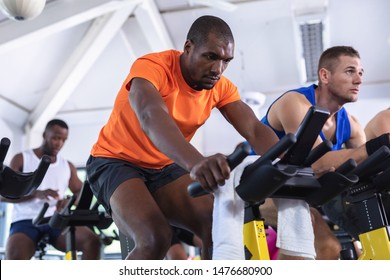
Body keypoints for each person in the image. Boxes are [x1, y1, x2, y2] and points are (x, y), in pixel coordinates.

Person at [86, 15, 279, 260]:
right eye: (210, 56)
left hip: (163, 165)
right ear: (188, 48)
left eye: (225, 61)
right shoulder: (153, 67)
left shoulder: (221, 87)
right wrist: (196, 162)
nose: (218, 69)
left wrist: (287, 164)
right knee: (155, 237)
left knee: (218, 227)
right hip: (114, 161)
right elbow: (149, 114)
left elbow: (253, 128)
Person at [256, 46, 390, 259]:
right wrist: (382, 143)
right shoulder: (295, 103)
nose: (358, 80)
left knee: (330, 249)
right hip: (261, 190)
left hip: (300, 195)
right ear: (325, 75)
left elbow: (365, 168)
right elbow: (318, 162)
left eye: (361, 73)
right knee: (309, 228)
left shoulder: (351, 124)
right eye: (350, 71)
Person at [2, 119, 101, 260]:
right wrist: (36, 194)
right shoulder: (22, 159)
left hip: (55, 221)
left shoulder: (67, 166)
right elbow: (4, 195)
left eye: (63, 139)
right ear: (44, 135)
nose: (59, 143)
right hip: (25, 221)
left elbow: (79, 191)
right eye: (55, 137)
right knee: (14, 258)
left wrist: (69, 202)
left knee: (92, 242)